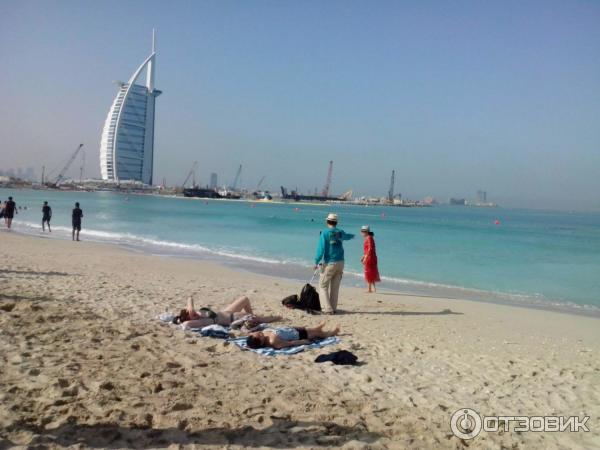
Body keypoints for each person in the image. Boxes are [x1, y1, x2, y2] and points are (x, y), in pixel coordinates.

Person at [313, 213, 354, 314]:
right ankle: (333, 308)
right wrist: (354, 235)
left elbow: (321, 249)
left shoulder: (324, 233)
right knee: (335, 287)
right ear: (336, 222)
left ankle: (327, 309)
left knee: (323, 285)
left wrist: (316, 261)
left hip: (330, 263)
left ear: (327, 222)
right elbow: (347, 237)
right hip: (341, 262)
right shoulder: (340, 232)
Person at [173, 296, 282, 330]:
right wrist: (182, 321)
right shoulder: (201, 322)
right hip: (233, 318)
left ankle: (253, 317)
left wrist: (190, 308)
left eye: (192, 313)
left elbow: (190, 298)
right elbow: (186, 325)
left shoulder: (195, 313)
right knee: (269, 318)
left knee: (245, 299)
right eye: (192, 316)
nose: (194, 314)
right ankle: (256, 318)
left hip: (226, 311)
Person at [246, 322, 341, 349]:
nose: (258, 333)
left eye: (256, 333)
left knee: (312, 329)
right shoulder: (273, 342)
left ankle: (318, 328)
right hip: (298, 335)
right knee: (317, 334)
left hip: (291, 329)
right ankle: (331, 333)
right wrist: (302, 342)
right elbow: (288, 343)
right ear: (261, 342)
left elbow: (250, 334)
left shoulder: (264, 333)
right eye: (258, 335)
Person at [360, 225, 381, 293]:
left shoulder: (369, 238)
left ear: (367, 232)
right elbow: (366, 249)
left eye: (363, 231)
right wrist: (363, 256)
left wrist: (365, 257)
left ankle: (370, 289)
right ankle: (373, 289)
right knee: (371, 272)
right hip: (370, 256)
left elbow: (370, 249)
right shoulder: (369, 238)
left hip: (370, 257)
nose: (362, 233)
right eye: (362, 231)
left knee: (368, 272)